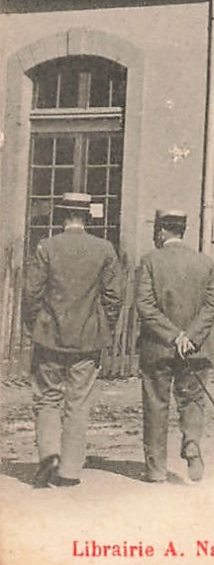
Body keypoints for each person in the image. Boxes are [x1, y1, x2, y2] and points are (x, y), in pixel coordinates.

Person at [23, 193, 124, 489]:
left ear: (62, 215)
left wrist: (35, 326)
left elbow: (31, 294)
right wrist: (104, 327)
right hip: (87, 340)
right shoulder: (104, 249)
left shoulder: (47, 246)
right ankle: (69, 471)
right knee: (78, 403)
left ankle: (48, 455)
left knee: (46, 397)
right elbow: (114, 297)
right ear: (88, 217)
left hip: (49, 336)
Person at [135, 210, 214, 484]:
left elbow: (145, 306)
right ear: (182, 230)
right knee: (192, 399)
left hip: (158, 348)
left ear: (161, 231)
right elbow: (213, 305)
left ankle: (156, 468)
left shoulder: (149, 261)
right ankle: (192, 442)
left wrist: (173, 336)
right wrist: (190, 337)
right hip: (195, 350)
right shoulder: (204, 263)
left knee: (156, 403)